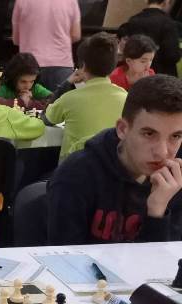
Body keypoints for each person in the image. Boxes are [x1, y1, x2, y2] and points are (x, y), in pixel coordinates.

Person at [47, 75, 182, 245]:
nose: (162, 152)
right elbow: (65, 257)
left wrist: (157, 211)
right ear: (123, 129)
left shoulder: (176, 179)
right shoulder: (76, 174)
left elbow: (167, 259)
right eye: (149, 134)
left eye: (175, 136)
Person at [44, 33, 127, 160]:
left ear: (82, 65)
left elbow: (46, 119)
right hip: (111, 169)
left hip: (74, 169)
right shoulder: (125, 97)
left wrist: (67, 83)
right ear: (113, 65)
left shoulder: (70, 98)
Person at [12, 0, 81, 92]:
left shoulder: (21, 1)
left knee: (28, 101)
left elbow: (16, 40)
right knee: (60, 100)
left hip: (29, 67)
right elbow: (76, 35)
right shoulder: (71, 1)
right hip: (61, 64)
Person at [127, 0, 181, 77]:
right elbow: (172, 55)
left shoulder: (133, 20)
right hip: (162, 75)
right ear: (166, 1)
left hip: (137, 74)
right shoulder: (168, 22)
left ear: (146, 1)